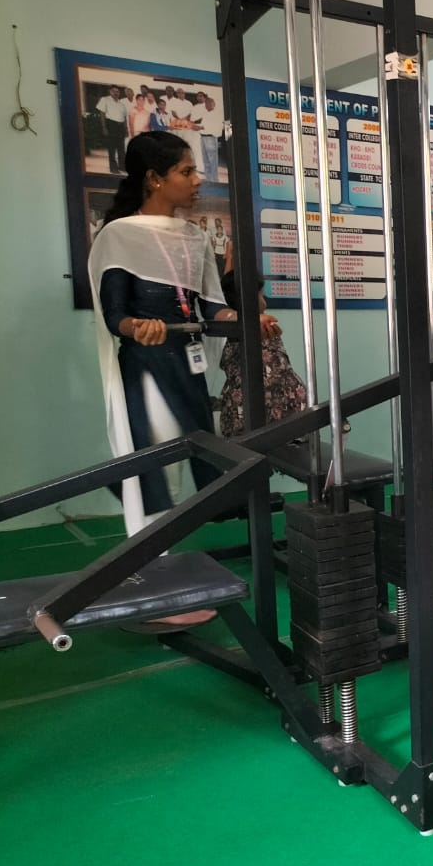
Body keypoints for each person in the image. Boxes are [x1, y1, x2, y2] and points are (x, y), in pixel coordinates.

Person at [86, 133, 268, 628]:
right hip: (148, 369)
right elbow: (114, 314)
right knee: (157, 475)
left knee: (187, 469)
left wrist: (241, 316)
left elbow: (208, 305)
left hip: (188, 368)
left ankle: (155, 578)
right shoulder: (119, 235)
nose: (197, 180)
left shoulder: (192, 237)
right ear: (154, 179)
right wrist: (135, 327)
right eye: (187, 171)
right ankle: (152, 593)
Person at [217, 240, 306, 437]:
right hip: (272, 414)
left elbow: (230, 291)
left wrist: (231, 257)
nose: (265, 302)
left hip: (238, 413)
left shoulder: (230, 324)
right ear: (252, 299)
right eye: (262, 296)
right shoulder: (262, 327)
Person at [95, 84, 129, 174]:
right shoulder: (105, 99)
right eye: (114, 91)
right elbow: (102, 114)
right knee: (112, 148)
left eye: (117, 91)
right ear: (110, 91)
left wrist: (126, 128)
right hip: (111, 125)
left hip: (120, 127)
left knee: (121, 148)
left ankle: (122, 167)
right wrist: (104, 127)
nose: (116, 93)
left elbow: (124, 117)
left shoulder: (121, 104)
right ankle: (113, 168)